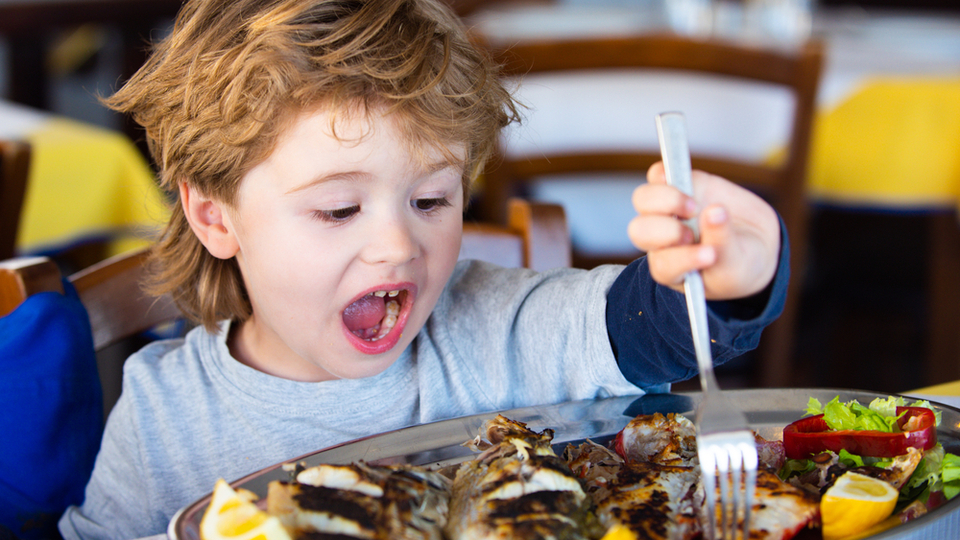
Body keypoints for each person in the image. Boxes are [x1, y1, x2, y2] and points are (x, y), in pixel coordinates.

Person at [59, 0, 787, 538]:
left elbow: (642, 331)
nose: (398, 245)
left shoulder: (493, 327)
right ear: (216, 216)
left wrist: (730, 271)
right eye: (340, 209)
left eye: (431, 199)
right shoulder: (163, 414)